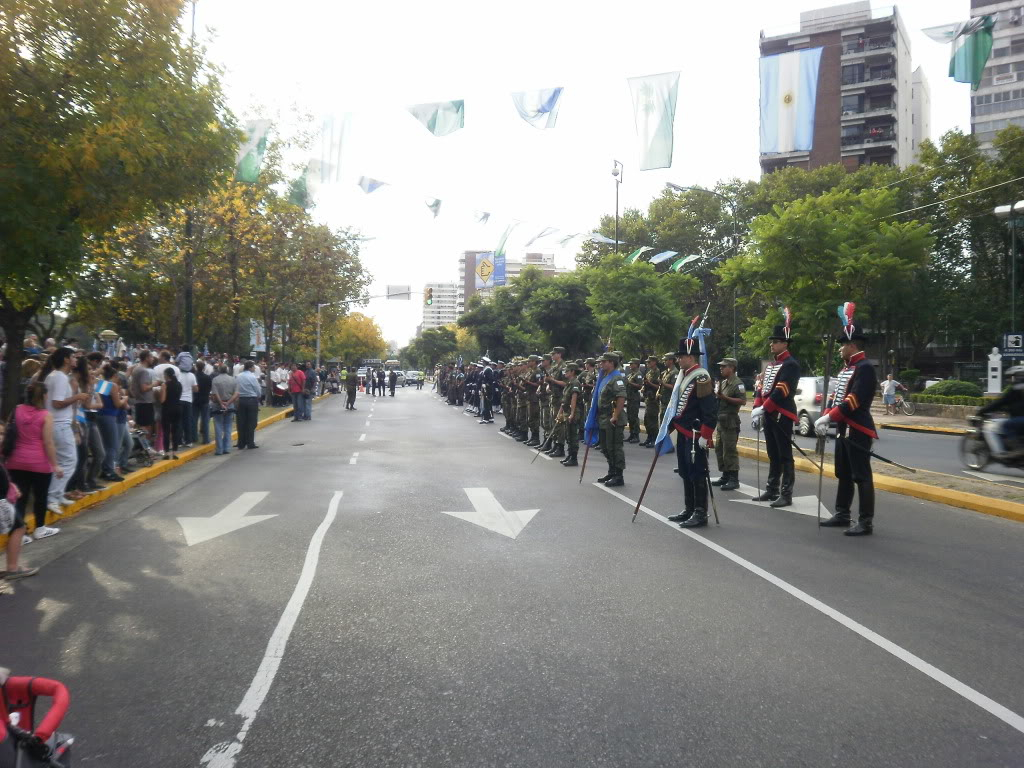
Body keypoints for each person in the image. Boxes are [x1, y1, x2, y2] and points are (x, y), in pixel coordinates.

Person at [816, 307, 878, 536]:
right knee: (843, 472)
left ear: (852, 345)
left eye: (843, 344)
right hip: (844, 428)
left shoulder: (865, 369)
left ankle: (866, 521)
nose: (841, 348)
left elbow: (852, 401)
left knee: (861, 475)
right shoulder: (847, 368)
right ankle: (842, 513)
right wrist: (827, 414)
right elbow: (836, 397)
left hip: (858, 429)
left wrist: (829, 417)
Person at [665, 320, 718, 528]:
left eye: (680, 356)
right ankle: (688, 508)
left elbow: (710, 410)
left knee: (697, 472)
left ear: (690, 356)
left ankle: (700, 512)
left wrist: (706, 434)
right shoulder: (685, 375)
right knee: (685, 471)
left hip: (696, 433)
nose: (678, 359)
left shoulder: (701, 377)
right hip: (683, 432)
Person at [750, 308, 801, 508]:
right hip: (770, 414)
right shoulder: (772, 365)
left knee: (784, 454)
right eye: (772, 341)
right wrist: (757, 406)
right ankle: (772, 489)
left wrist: (765, 408)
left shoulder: (791, 364)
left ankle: (786, 493)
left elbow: (782, 390)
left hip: (782, 414)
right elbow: (762, 388)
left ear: (785, 343)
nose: (771, 344)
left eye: (775, 341)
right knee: (772, 452)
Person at [5, 380, 63, 548]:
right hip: (39, 463)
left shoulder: (16, 410)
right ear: (44, 396)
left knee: (19, 498)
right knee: (40, 496)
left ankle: (19, 532)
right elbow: (48, 442)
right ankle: (40, 528)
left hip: (15, 461)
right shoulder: (46, 415)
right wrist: (56, 465)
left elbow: (10, 431)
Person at [41, 348, 87, 514]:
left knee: (61, 462)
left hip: (57, 423)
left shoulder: (55, 376)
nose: (76, 360)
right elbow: (57, 403)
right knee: (69, 461)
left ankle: (57, 495)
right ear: (66, 359)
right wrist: (78, 397)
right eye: (73, 357)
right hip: (59, 424)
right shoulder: (60, 377)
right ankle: (52, 497)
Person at [710, 357, 745, 491]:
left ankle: (733, 479)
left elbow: (742, 401)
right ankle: (725, 475)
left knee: (729, 451)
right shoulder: (724, 382)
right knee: (719, 448)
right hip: (721, 421)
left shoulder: (738, 383)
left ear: (732, 368)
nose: (721, 368)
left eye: (724, 366)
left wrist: (725, 398)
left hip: (730, 421)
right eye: (721, 366)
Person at [976, 365, 1024, 456]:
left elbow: (1000, 402)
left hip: (1020, 419)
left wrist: (983, 411)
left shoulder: (1014, 390)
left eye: (1011, 377)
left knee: (1006, 425)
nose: (1010, 380)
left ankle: (1016, 449)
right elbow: (1013, 404)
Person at [596, 352, 627, 487]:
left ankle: (618, 475)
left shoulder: (617, 378)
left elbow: (621, 397)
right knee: (605, 447)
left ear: (611, 363)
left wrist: (615, 416)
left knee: (615, 447)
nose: (601, 364)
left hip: (613, 418)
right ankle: (611, 470)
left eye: (604, 362)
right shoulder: (605, 377)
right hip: (603, 417)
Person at [95, 364, 128, 482]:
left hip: (100, 415)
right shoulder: (112, 385)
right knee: (113, 445)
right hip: (110, 416)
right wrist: (124, 399)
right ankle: (109, 470)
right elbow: (117, 404)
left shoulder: (101, 384)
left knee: (106, 444)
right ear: (114, 375)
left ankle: (105, 468)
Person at [558, 362, 584, 468]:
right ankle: (569, 455)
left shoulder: (575, 383)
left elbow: (574, 399)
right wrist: (560, 413)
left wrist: (572, 414)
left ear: (572, 371)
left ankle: (574, 458)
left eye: (567, 371)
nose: (565, 373)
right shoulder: (569, 382)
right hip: (566, 411)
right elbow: (564, 400)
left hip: (572, 412)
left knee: (573, 436)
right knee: (568, 435)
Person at [129, 350, 157, 447]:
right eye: (151, 357)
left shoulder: (136, 369)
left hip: (139, 401)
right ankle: (147, 448)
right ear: (146, 358)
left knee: (140, 426)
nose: (152, 359)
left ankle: (142, 448)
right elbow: (144, 388)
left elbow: (132, 387)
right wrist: (155, 384)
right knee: (146, 427)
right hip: (145, 402)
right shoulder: (143, 371)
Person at [210, 365, 239, 455]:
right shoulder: (233, 379)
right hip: (229, 405)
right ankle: (227, 448)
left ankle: (219, 449)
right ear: (227, 370)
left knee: (218, 427)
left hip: (218, 405)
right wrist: (228, 403)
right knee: (228, 427)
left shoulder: (215, 380)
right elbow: (236, 393)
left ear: (219, 370)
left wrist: (221, 403)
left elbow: (215, 393)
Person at [236, 361, 262, 449]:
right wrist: (258, 396)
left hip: (241, 400)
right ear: (250, 367)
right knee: (251, 422)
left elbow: (236, 388)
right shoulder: (252, 377)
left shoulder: (238, 376)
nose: (254, 369)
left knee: (241, 422)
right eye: (253, 367)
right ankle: (250, 442)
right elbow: (257, 389)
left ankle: (241, 442)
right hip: (251, 400)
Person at [158, 367, 182, 460]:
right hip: (178, 408)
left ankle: (167, 453)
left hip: (167, 409)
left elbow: (162, 400)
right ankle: (175, 452)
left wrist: (159, 392)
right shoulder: (179, 384)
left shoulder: (165, 385)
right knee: (175, 431)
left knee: (166, 431)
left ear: (166, 375)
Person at [641, 354, 661, 448]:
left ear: (654, 362)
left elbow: (658, 387)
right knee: (646, 420)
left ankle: (654, 439)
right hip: (648, 399)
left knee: (653, 421)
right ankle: (649, 438)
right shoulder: (649, 373)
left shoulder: (657, 372)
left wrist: (649, 383)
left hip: (653, 400)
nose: (648, 363)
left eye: (649, 362)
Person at [624, 358, 644, 444]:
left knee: (634, 417)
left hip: (634, 398)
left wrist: (630, 383)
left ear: (636, 364)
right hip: (629, 398)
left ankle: (636, 435)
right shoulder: (631, 374)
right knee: (630, 417)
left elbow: (640, 386)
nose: (630, 365)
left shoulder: (638, 374)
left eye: (632, 364)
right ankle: (631, 434)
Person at [178, 364, 198, 447]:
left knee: (179, 421)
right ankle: (188, 441)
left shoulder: (178, 375)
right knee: (188, 421)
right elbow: (196, 389)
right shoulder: (192, 375)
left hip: (179, 400)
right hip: (188, 400)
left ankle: (179, 441)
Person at [193, 363, 213, 445]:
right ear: (204, 368)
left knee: (194, 420)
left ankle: (194, 437)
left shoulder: (194, 376)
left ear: (196, 367)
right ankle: (206, 438)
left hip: (195, 400)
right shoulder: (207, 377)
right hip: (205, 399)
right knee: (205, 420)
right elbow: (210, 388)